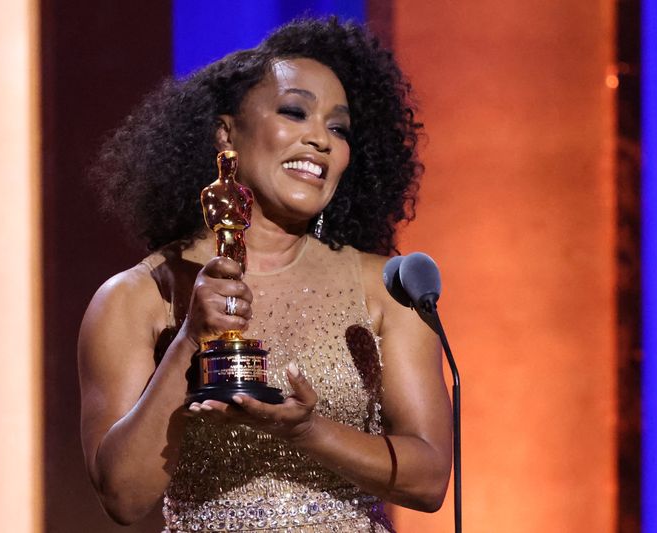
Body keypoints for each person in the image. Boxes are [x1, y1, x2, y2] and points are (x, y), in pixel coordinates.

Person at [79, 17, 452, 533]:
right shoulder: (141, 295)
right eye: (295, 112)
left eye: (338, 128)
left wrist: (309, 432)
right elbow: (123, 496)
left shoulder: (387, 289)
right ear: (226, 132)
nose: (320, 139)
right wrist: (191, 338)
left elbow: (430, 479)